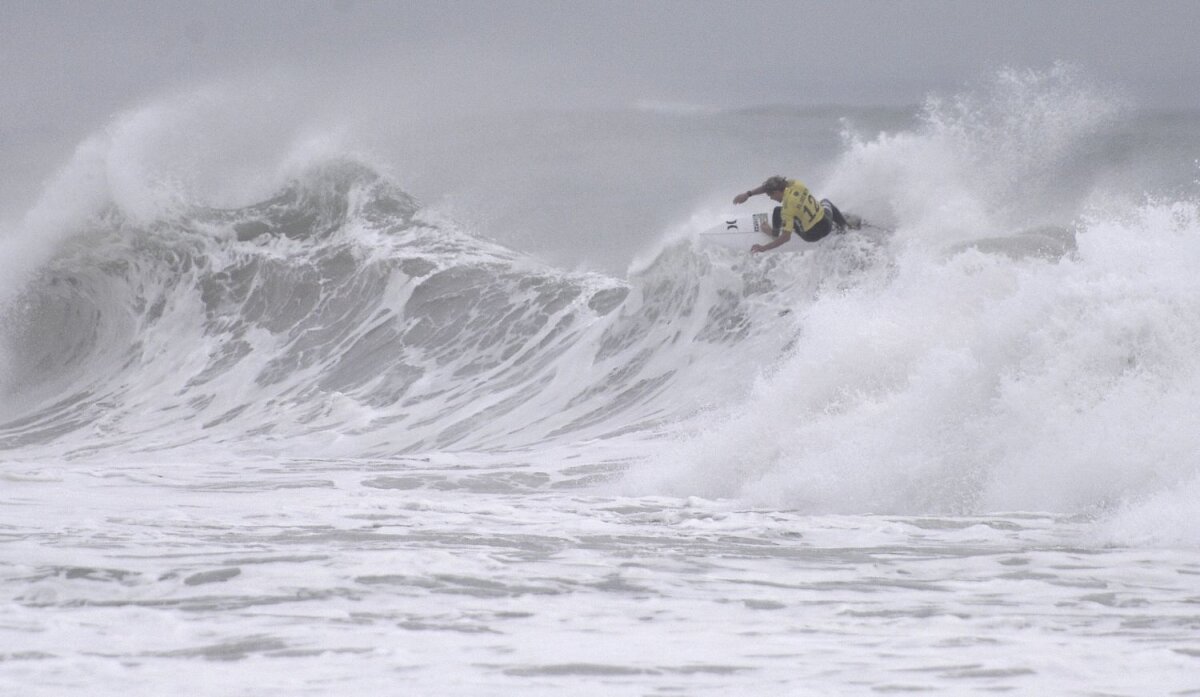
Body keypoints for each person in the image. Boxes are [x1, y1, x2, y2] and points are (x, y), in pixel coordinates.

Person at [732, 176, 851, 253]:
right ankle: (845, 227)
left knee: (777, 211)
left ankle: (772, 232)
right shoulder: (797, 184)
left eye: (771, 195)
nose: (771, 198)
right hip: (826, 224)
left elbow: (785, 238)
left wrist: (763, 248)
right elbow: (771, 186)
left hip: (811, 235)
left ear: (777, 192)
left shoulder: (787, 209)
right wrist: (748, 194)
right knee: (825, 202)